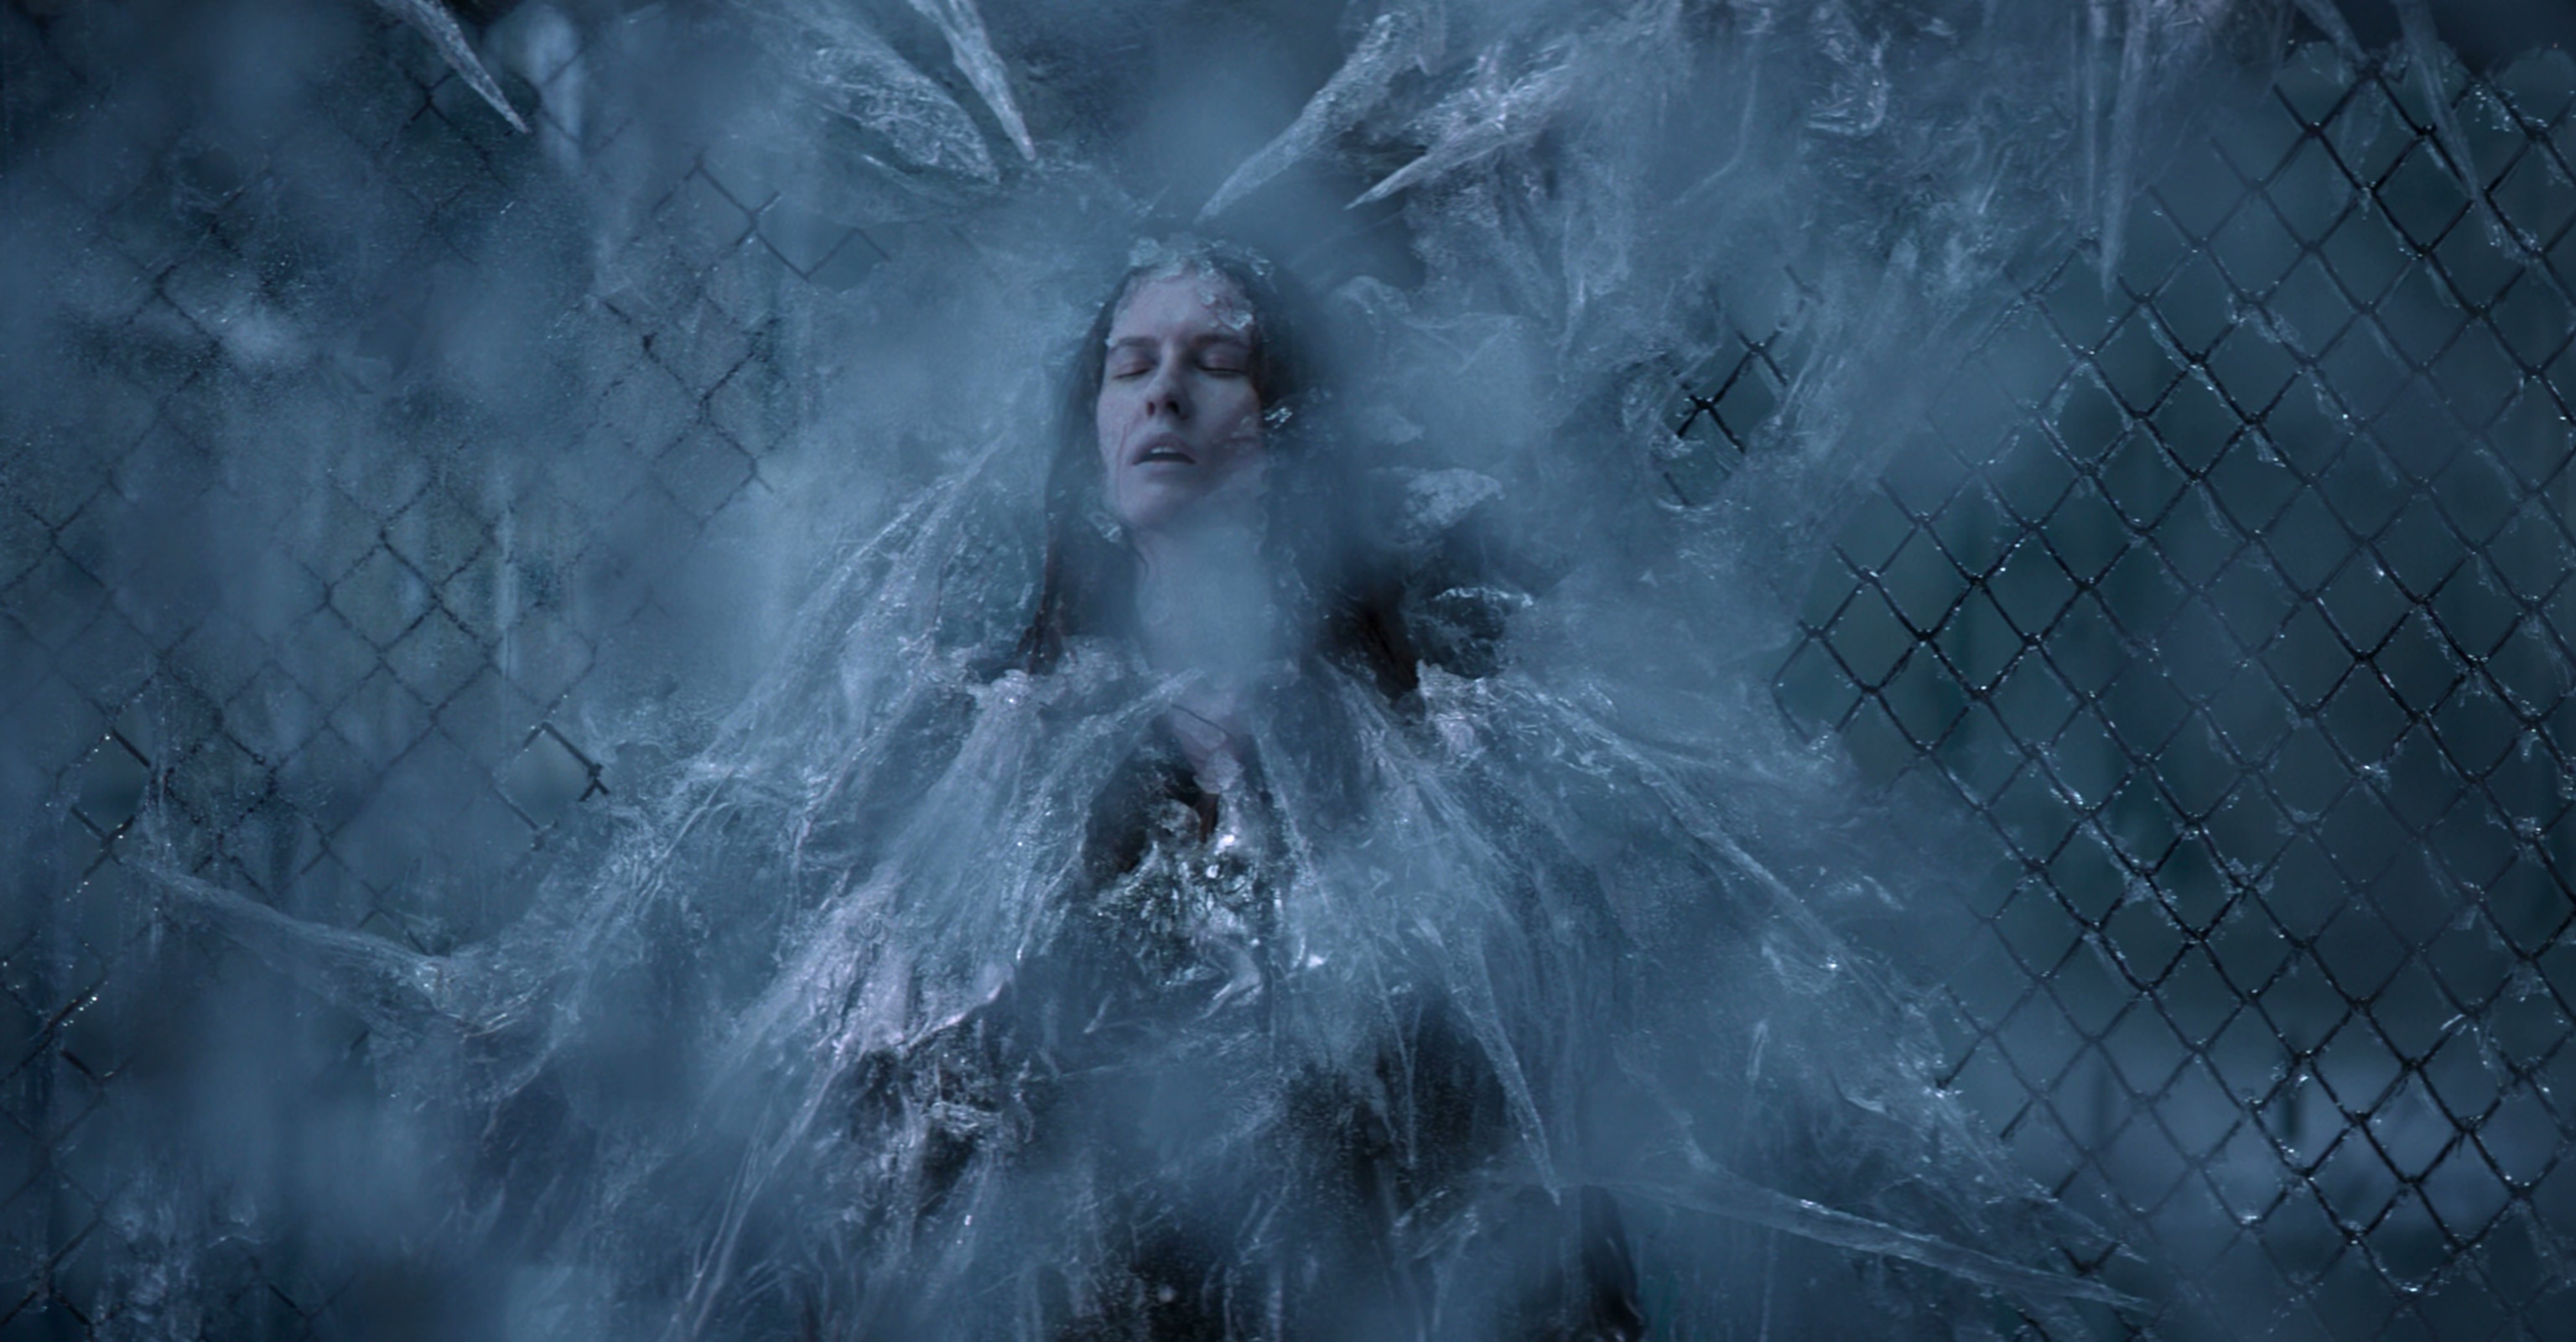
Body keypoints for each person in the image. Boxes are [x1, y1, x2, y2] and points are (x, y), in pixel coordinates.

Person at [144, 237, 2140, 1341]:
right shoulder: (984, 741)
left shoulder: (1445, 745)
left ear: (1288, 421)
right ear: (1089, 436)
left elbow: (1537, 1109)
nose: (1166, 389)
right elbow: (863, 1086)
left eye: (1215, 358)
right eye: (1128, 362)